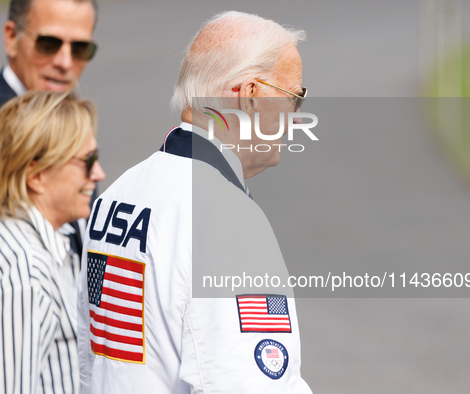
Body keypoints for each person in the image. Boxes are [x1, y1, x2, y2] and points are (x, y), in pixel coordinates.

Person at [77, 11, 312, 393]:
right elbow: (248, 384)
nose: (297, 119)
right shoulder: (227, 220)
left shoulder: (117, 195)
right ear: (251, 96)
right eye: (294, 98)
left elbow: (90, 365)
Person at [0, 91, 105, 394]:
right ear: (37, 174)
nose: (98, 173)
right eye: (87, 160)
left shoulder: (3, 241)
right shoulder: (23, 274)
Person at [0, 0, 99, 275]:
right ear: (11, 38)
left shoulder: (70, 123)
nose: (65, 62)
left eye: (80, 48)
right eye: (49, 43)